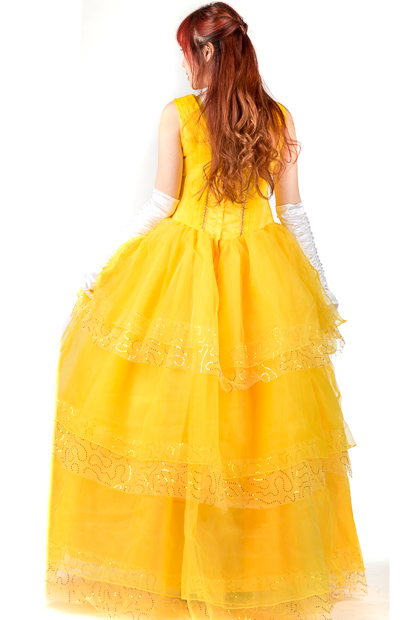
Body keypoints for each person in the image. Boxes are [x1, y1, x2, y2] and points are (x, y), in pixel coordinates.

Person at [45, 3, 368, 620]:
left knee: (188, 422)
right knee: (252, 426)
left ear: (209, 51)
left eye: (187, 52)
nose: (183, 64)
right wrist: (318, 288)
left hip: (190, 271)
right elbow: (293, 214)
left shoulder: (181, 115)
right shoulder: (276, 117)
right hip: (253, 278)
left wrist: (103, 269)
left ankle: (197, 572)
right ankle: (232, 570)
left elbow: (162, 204)